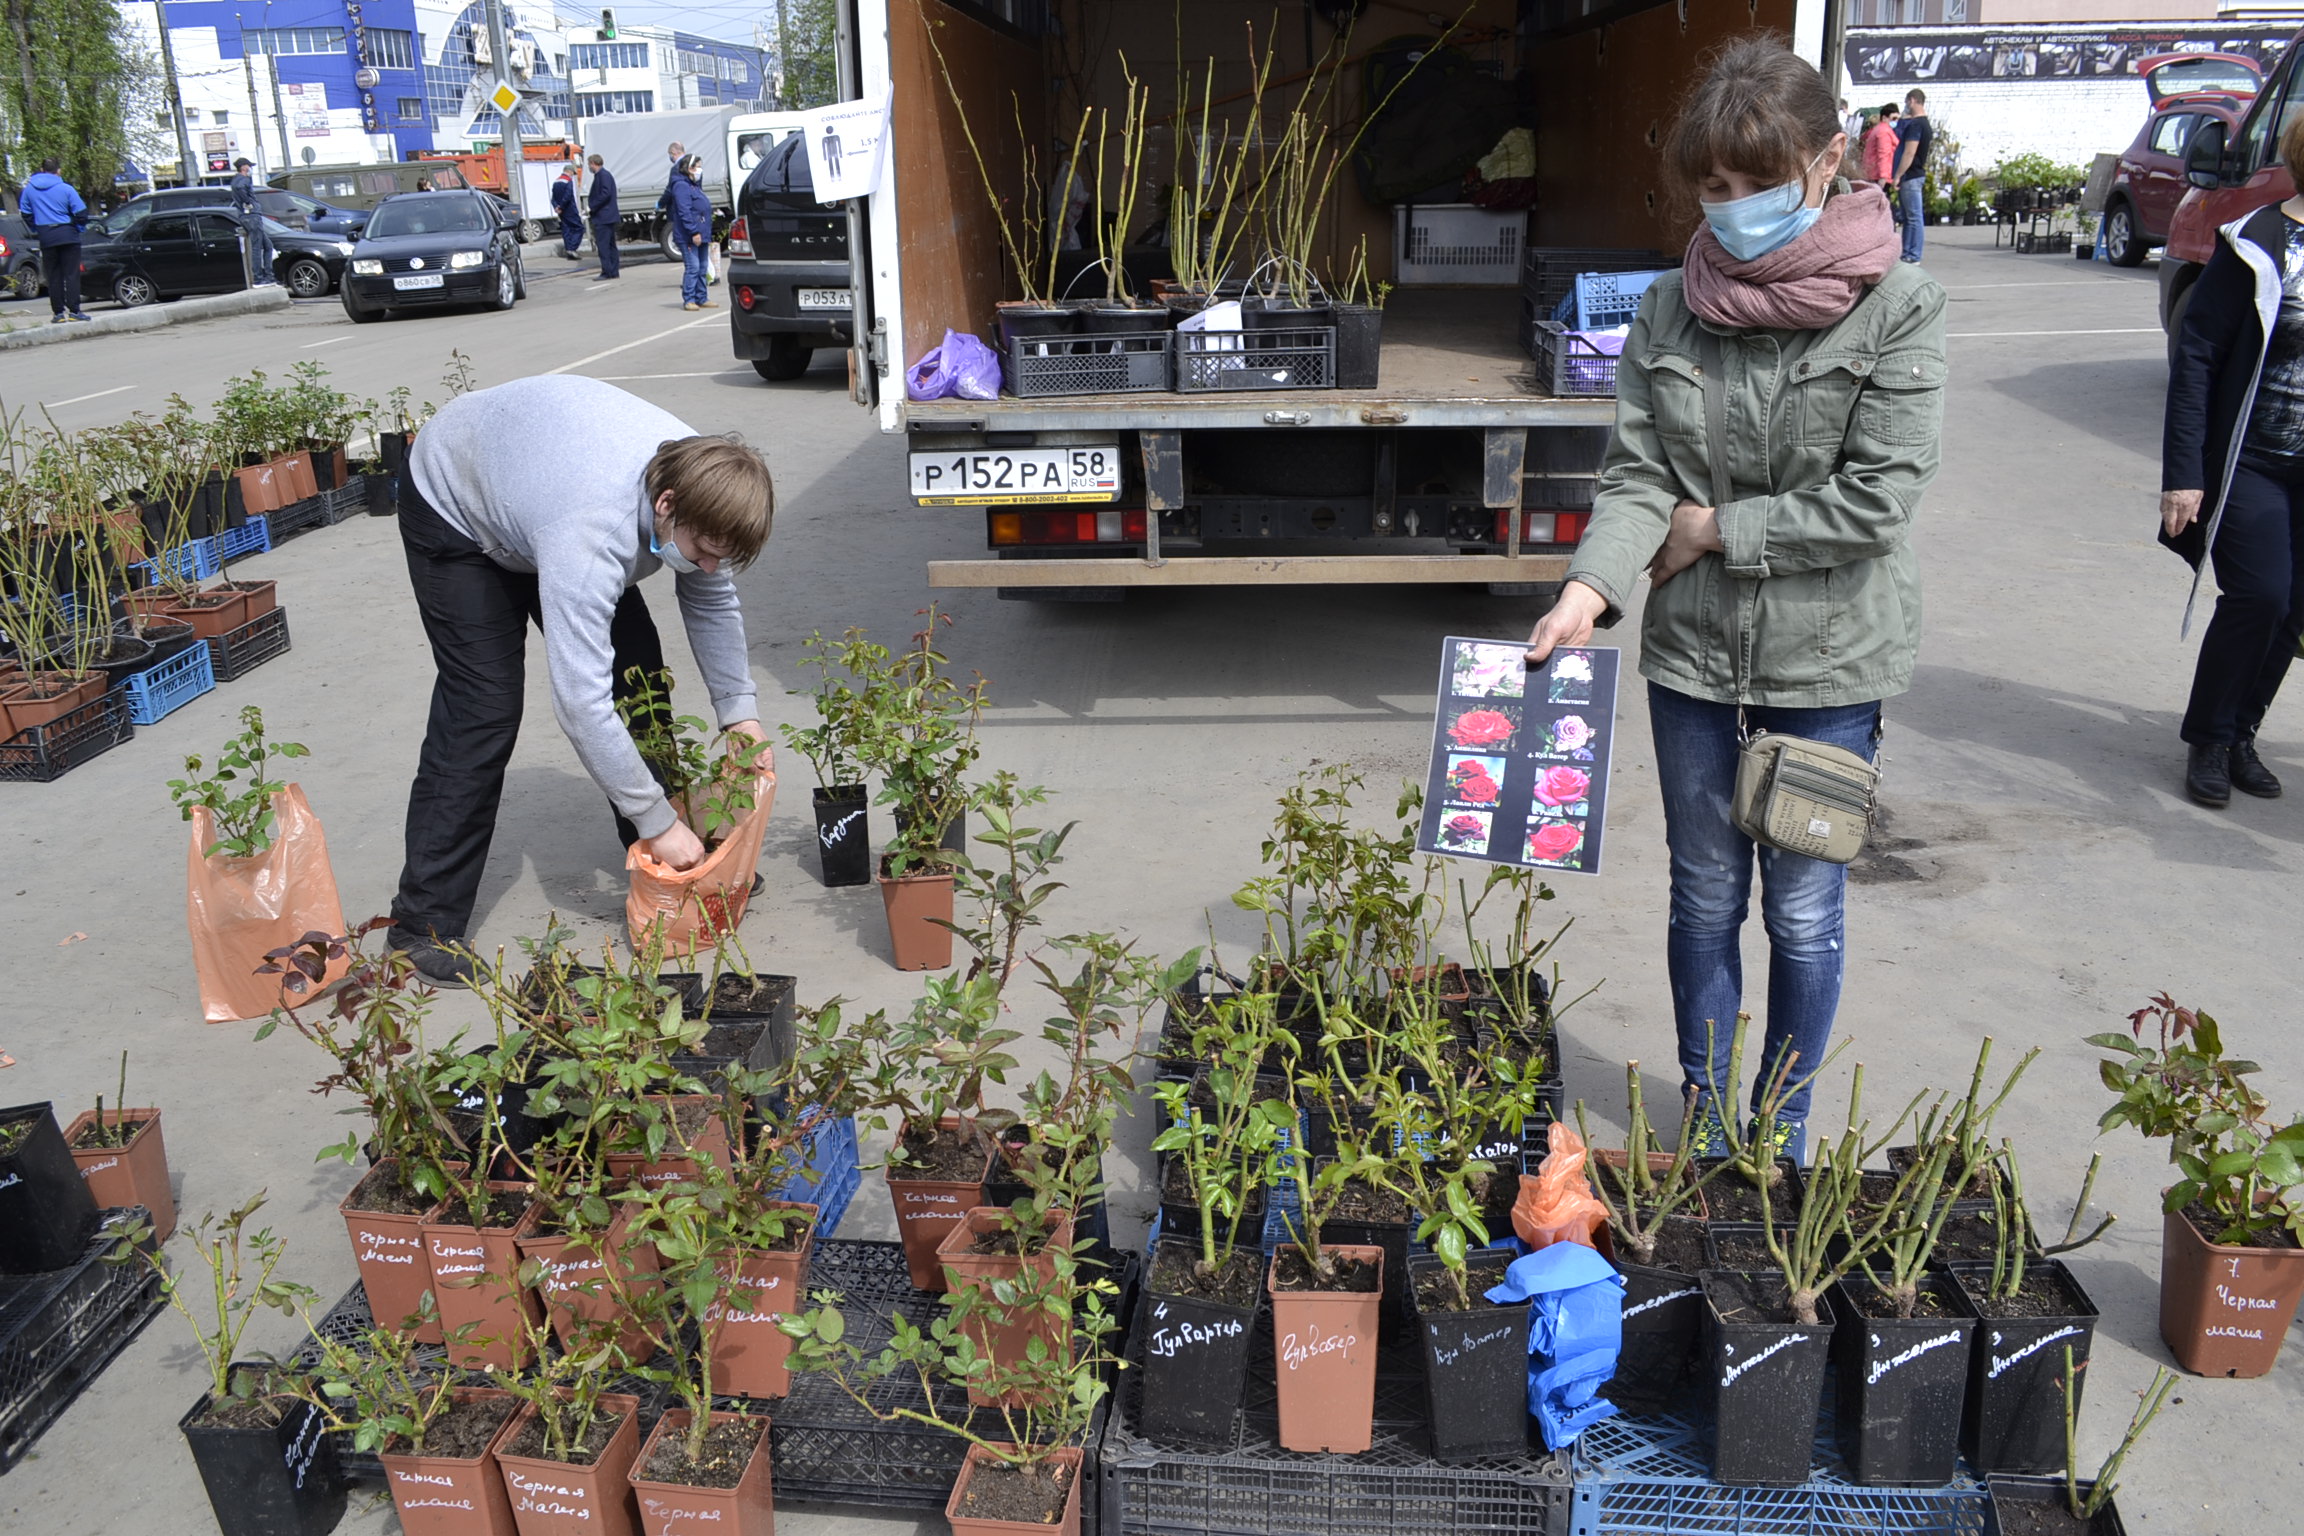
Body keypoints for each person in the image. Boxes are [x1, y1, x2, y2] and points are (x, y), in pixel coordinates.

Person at [1523, 36, 1946, 1159]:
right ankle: (1711, 1123)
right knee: (1704, 894)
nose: (1734, 207)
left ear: (1829, 160)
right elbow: (1637, 477)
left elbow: (1878, 500)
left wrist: (1715, 529)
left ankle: (1782, 1128)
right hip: (1696, 656)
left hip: (1830, 657)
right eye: (1712, 186)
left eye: (1760, 181)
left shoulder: (1898, 306)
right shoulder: (1671, 308)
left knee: (1802, 907)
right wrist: (1588, 588)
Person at [385, 375, 775, 986]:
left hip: (537, 490)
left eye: (719, 557)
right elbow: (580, 704)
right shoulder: (593, 534)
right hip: (458, 502)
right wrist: (655, 818)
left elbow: (711, 600)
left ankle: (666, 857)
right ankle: (420, 927)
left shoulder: (708, 487)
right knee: (483, 707)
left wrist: (739, 712)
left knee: (637, 678)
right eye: (702, 551)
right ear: (666, 504)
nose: (708, 567)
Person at [2160, 114, 2304, 808]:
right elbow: (2197, 359)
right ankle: (2211, 736)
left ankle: (2244, 731)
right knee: (2261, 595)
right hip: (2254, 459)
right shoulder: (2254, 243)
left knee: (2295, 608)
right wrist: (2185, 473)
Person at [20, 159, 91, 323]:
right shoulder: (66, 188)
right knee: (71, 274)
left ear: (41, 169)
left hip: (46, 236)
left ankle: (58, 313)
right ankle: (74, 311)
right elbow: (81, 213)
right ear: (58, 170)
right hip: (68, 234)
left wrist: (37, 229)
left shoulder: (29, 190)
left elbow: (26, 214)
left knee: (53, 276)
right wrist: (77, 228)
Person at [670, 154, 716, 312]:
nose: (700, 170)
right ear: (689, 168)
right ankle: (689, 299)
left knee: (703, 267)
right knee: (693, 267)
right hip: (689, 235)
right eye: (698, 167)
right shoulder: (681, 186)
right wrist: (694, 231)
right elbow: (684, 211)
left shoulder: (693, 185)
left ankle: (701, 297)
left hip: (702, 233)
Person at [1893, 88, 1932, 263]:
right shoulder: (1925, 124)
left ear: (1912, 100)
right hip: (1916, 174)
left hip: (1911, 175)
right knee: (1910, 217)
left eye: (1907, 102)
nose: (1906, 105)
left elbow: (1909, 153)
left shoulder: (1916, 125)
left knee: (1914, 217)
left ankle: (1914, 254)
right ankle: (1907, 252)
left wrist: (1898, 175)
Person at [228, 158, 278, 286]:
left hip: (246, 216)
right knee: (257, 247)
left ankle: (269, 276)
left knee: (268, 246)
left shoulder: (235, 180)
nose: (250, 168)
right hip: (252, 216)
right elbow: (240, 188)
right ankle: (258, 278)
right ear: (243, 167)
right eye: (249, 166)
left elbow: (237, 188)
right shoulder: (243, 179)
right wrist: (248, 202)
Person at [587, 154, 621, 280]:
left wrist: (592, 206)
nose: (589, 167)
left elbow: (605, 194)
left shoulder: (603, 175)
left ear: (593, 163)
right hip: (608, 216)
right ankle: (613, 271)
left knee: (603, 246)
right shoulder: (603, 175)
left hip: (603, 217)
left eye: (589, 164)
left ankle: (607, 271)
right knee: (610, 245)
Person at [1862, 105, 1901, 199]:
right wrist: (1883, 176)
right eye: (1893, 118)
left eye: (1898, 119)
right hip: (1879, 175)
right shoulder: (1884, 132)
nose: (1896, 121)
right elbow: (1883, 154)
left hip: (1875, 173)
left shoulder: (1880, 129)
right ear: (1884, 118)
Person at [551, 164, 584, 260]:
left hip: (561, 212)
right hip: (570, 209)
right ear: (569, 171)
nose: (572, 175)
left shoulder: (556, 181)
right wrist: (562, 206)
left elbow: (553, 198)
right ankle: (572, 249)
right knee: (579, 228)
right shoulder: (568, 181)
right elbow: (568, 196)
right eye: (572, 173)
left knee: (566, 230)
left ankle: (568, 250)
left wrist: (556, 207)